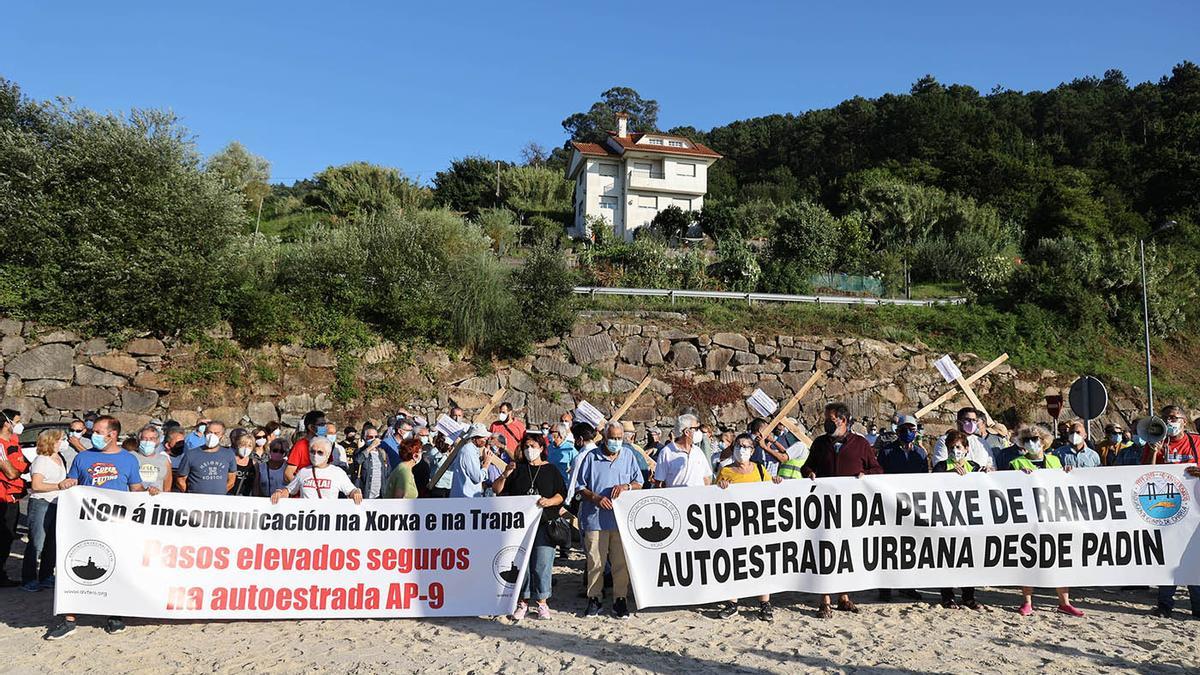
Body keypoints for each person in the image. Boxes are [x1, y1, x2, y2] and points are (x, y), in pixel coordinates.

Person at [47, 415, 146, 640]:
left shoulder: (129, 460)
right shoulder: (83, 457)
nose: (94, 435)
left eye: (99, 432)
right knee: (74, 565)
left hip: (116, 524)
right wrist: (67, 484)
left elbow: (136, 488)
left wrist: (149, 492)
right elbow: (73, 482)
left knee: (116, 567)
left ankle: (114, 615)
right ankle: (69, 618)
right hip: (84, 524)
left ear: (113, 435)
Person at [803, 402, 882, 617]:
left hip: (850, 509)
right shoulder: (820, 443)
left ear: (843, 420)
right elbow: (807, 466)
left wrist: (866, 477)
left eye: (831, 419)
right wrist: (810, 472)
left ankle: (844, 597)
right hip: (825, 508)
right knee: (826, 551)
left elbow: (876, 469)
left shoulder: (860, 443)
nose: (827, 423)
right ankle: (825, 600)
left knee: (846, 552)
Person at [1010, 425, 1084, 617]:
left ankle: (1064, 602)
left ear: (1043, 442)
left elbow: (1063, 485)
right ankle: (1027, 602)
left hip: (1053, 516)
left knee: (1059, 559)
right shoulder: (1017, 463)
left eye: (1036, 439)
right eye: (1027, 440)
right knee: (1028, 558)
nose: (1032, 443)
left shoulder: (1054, 460)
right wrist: (1018, 477)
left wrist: (1067, 473)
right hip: (1028, 518)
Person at [494, 433, 567, 621]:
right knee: (522, 565)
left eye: (533, 446)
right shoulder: (518, 469)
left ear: (542, 448)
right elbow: (498, 490)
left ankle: (542, 602)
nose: (529, 450)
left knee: (542, 563)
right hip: (520, 528)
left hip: (544, 524)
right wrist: (505, 474)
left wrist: (550, 501)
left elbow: (561, 495)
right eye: (526, 446)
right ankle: (523, 601)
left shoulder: (551, 470)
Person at [575, 421, 642, 619]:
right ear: (604, 438)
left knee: (620, 562)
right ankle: (594, 598)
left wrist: (626, 487)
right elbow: (580, 486)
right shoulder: (591, 457)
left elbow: (639, 482)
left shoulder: (628, 455)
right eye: (612, 437)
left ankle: (620, 600)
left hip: (620, 520)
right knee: (596, 561)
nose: (616, 441)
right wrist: (595, 497)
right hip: (594, 519)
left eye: (619, 438)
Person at [715, 433, 783, 620]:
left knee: (762, 562)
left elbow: (771, 491)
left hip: (758, 525)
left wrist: (776, 482)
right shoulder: (726, 471)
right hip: (735, 526)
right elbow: (713, 497)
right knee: (734, 562)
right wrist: (720, 487)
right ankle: (732, 603)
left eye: (746, 446)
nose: (742, 450)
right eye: (738, 446)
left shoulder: (760, 470)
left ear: (753, 451)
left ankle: (764, 603)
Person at [1149, 405, 1200, 619]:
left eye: (1174, 417)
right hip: (1167, 511)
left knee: (1194, 560)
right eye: (1165, 418)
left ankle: (1197, 606)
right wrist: (1153, 453)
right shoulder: (1157, 443)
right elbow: (1144, 475)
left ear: (1184, 421)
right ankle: (1164, 605)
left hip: (1195, 511)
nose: (1170, 421)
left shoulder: (1197, 442)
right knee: (1167, 558)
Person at [875, 414, 927, 601]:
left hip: (912, 506)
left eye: (911, 429)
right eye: (904, 429)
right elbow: (878, 476)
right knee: (888, 546)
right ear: (897, 431)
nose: (907, 432)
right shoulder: (887, 451)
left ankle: (908, 586)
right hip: (890, 504)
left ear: (916, 431)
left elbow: (925, 478)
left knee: (911, 546)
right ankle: (885, 587)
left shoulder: (921, 453)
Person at [931, 431, 984, 610]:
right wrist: (950, 474)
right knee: (947, 558)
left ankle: (968, 596)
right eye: (952, 447)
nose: (955, 450)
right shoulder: (941, 466)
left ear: (967, 449)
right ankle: (947, 596)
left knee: (969, 559)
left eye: (959, 447)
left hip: (969, 520)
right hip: (947, 519)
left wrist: (988, 474)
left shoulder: (974, 467)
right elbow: (931, 485)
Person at [23, 429, 68, 592]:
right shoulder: (41, 460)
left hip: (57, 503)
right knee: (37, 542)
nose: (64, 442)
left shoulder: (59, 458)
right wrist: (59, 486)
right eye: (61, 439)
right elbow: (36, 485)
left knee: (52, 542)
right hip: (41, 502)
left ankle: (46, 575)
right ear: (52, 441)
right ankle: (28, 578)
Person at [271, 438, 362, 503]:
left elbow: (351, 491)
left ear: (328, 454)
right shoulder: (303, 472)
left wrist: (356, 492)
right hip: (305, 519)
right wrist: (279, 493)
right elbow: (289, 490)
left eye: (320, 452)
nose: (315, 455)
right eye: (312, 451)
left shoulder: (337, 473)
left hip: (328, 519)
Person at [0, 409, 28, 586]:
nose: (19, 425)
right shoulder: (0, 444)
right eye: (16, 421)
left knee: (8, 537)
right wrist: (20, 470)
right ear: (6, 423)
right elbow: (10, 473)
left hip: (13, 497)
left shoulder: (14, 441)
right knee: (3, 537)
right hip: (3, 498)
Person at [175, 421, 236, 495]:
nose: (212, 436)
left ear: (222, 436)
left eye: (216, 433)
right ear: (204, 433)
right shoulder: (191, 454)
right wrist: (190, 495)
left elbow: (231, 479)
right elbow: (181, 479)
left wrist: (220, 493)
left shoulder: (228, 454)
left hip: (219, 501)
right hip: (196, 502)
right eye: (209, 432)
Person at [653, 414, 713, 488]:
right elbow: (659, 482)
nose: (699, 432)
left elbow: (706, 478)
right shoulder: (666, 452)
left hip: (699, 498)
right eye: (696, 428)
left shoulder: (698, 451)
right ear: (687, 432)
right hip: (676, 498)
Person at [284, 410, 329, 482]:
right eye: (321, 424)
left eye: (324, 424)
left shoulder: (326, 445)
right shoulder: (300, 446)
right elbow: (288, 473)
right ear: (311, 427)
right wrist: (300, 488)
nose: (324, 427)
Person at [450, 425, 493, 498]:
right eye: (483, 436)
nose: (486, 438)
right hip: (465, 498)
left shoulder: (471, 450)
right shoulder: (469, 451)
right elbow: (477, 478)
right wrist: (487, 463)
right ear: (475, 437)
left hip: (467, 497)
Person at [354, 426, 391, 499]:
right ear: (364, 438)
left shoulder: (382, 453)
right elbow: (357, 461)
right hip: (365, 494)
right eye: (370, 437)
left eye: (376, 436)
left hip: (380, 495)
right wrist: (371, 447)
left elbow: (388, 473)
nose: (374, 439)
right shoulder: (360, 451)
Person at [134, 425, 172, 493]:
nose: (148, 441)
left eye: (152, 439)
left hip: (157, 501)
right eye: (144, 438)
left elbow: (167, 487)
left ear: (157, 441)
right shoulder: (131, 457)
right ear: (139, 440)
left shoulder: (164, 460)